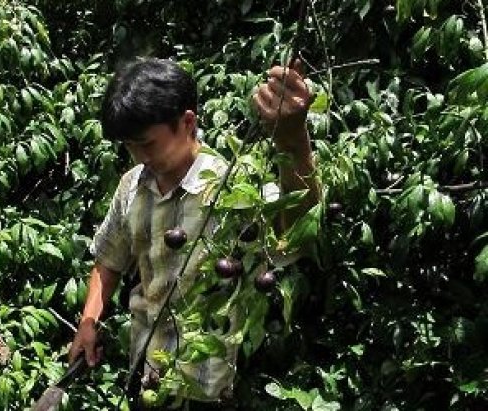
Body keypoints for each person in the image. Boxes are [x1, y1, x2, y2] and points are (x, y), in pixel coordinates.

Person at [68, 57, 319, 409]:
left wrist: (295, 142)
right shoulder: (131, 187)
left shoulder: (233, 188)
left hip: (211, 393)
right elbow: (108, 258)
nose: (139, 156)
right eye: (130, 146)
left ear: (188, 123)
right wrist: (89, 320)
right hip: (147, 378)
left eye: (148, 144)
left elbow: (297, 231)